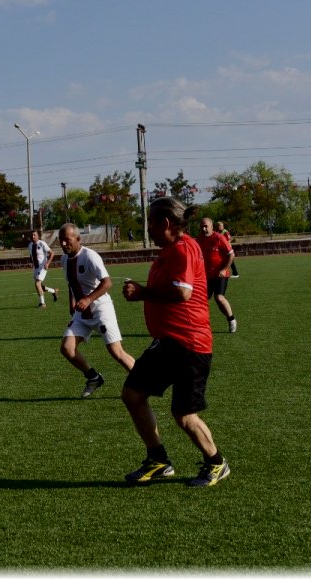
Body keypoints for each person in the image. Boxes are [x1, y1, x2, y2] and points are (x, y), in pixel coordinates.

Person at [121, 197, 229, 487]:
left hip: (189, 344)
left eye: (151, 224)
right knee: (133, 393)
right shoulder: (172, 249)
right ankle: (158, 460)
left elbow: (182, 293)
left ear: (165, 224)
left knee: (183, 415)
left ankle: (216, 463)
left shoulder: (182, 249)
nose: (149, 230)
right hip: (169, 342)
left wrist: (143, 293)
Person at [56, 223, 135, 398]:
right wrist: (72, 303)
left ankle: (144, 381)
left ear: (78, 239)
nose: (62, 244)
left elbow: (107, 283)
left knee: (117, 352)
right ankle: (94, 377)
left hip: (101, 310)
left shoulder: (90, 257)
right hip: (82, 313)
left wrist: (87, 299)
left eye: (66, 240)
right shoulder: (64, 259)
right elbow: (71, 284)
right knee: (67, 348)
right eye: (60, 240)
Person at [197, 218, 237, 333]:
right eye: (201, 227)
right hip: (206, 276)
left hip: (221, 274)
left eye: (206, 226)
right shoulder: (199, 239)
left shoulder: (219, 238)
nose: (203, 229)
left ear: (211, 227)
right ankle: (199, 325)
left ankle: (231, 319)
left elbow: (231, 254)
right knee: (201, 300)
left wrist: (224, 269)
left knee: (219, 297)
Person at [27, 229, 59, 308]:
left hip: (42, 267)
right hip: (36, 268)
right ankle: (53, 291)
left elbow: (52, 253)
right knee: (41, 286)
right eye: (31, 235)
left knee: (37, 284)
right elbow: (31, 255)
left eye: (34, 235)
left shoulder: (42, 243)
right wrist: (31, 263)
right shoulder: (30, 245)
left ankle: (42, 303)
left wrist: (47, 263)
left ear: (38, 236)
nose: (33, 236)